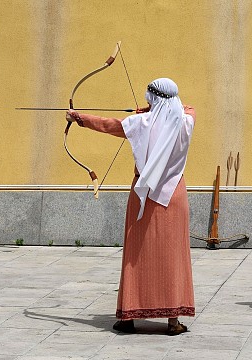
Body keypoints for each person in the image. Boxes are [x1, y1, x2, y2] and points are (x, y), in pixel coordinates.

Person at [66, 78, 195, 335]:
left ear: (153, 99)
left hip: (144, 193)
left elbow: (109, 125)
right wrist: (151, 110)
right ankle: (172, 320)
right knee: (172, 255)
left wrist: (78, 117)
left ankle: (128, 317)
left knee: (137, 255)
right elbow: (185, 107)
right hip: (173, 194)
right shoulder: (186, 120)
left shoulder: (140, 124)